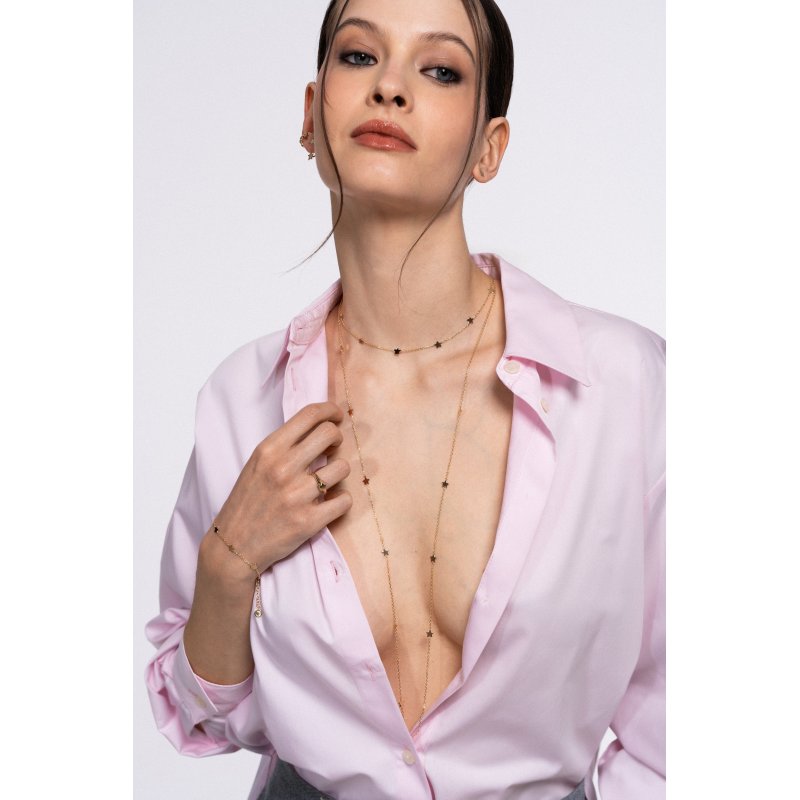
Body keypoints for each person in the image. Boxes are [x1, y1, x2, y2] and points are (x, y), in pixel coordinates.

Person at [145, 1, 665, 798]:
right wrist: (228, 563)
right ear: (312, 117)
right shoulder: (240, 401)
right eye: (359, 56)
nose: (390, 86)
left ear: (489, 147)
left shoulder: (625, 387)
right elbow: (204, 720)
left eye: (440, 70)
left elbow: (680, 718)